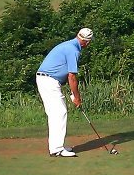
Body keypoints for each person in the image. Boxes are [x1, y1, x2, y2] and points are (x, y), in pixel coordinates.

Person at [36, 28, 93, 157]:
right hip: (48, 80)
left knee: (55, 113)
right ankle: (57, 149)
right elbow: (71, 76)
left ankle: (56, 147)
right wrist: (77, 98)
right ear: (87, 41)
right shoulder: (73, 50)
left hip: (46, 79)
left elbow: (66, 74)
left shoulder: (69, 45)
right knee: (59, 112)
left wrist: (73, 93)